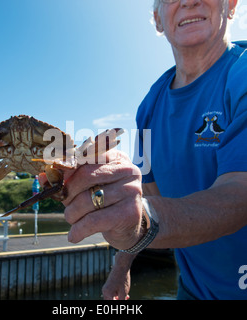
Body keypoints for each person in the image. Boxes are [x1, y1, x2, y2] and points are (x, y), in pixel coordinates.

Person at [40, 0, 247, 300]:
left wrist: (143, 221)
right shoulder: (150, 106)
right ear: (158, 19)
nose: (189, 1)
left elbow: (240, 195)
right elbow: (147, 197)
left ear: (230, 5)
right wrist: (120, 269)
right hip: (192, 291)